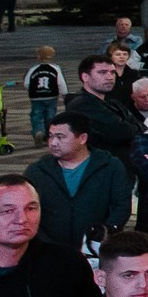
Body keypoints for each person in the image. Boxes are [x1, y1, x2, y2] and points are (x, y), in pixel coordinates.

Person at [23, 108, 132, 256]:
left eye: (60, 137)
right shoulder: (37, 171)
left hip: (95, 250)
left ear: (82, 138)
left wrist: (106, 231)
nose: (53, 143)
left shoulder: (109, 167)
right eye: (50, 136)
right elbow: (26, 208)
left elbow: (122, 205)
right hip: (48, 251)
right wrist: (42, 240)